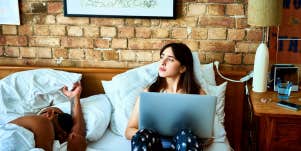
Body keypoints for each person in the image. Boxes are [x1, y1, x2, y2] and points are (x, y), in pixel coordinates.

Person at [125, 43, 206, 151]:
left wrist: (188, 136)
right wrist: (149, 134)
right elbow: (129, 131)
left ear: (182, 68)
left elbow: (208, 137)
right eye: (162, 57)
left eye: (170, 59)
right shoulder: (149, 93)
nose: (162, 63)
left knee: (185, 135)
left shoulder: (198, 94)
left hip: (183, 144)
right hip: (154, 144)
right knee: (143, 134)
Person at [2, 82, 86, 151]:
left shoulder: (44, 127)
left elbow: (76, 137)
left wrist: (75, 98)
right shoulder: (42, 121)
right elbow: (76, 136)